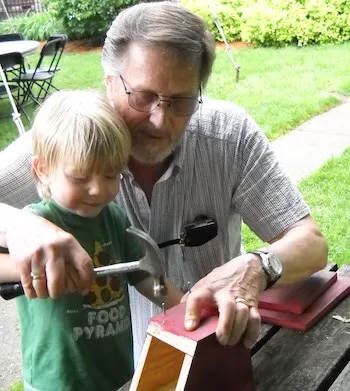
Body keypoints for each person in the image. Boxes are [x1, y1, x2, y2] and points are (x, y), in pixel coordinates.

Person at [0, 1, 327, 366]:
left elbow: (311, 245)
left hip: (211, 361)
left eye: (181, 102)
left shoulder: (229, 135)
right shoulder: (68, 140)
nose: (159, 120)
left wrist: (256, 267)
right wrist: (16, 226)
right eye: (143, 97)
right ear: (110, 83)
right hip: (112, 373)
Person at [0, 90, 182, 391]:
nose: (98, 190)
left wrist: (183, 306)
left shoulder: (114, 219)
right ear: (43, 170)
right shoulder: (35, 226)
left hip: (116, 372)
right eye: (80, 178)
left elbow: (143, 273)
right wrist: (35, 265)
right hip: (56, 379)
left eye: (111, 175)